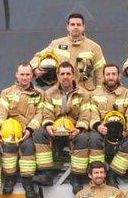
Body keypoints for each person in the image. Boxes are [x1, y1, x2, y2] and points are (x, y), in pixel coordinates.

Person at [0, 63, 45, 198]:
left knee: (28, 148)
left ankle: (27, 182)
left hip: (29, 131)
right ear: (16, 75)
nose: (25, 77)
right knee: (8, 147)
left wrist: (30, 129)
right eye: (22, 74)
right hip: (11, 130)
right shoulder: (7, 93)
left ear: (32, 75)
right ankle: (9, 178)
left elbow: (40, 114)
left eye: (27, 74)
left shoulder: (40, 94)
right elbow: (0, 111)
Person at [35, 61, 95, 189]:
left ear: (73, 76)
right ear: (58, 76)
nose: (65, 77)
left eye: (68, 73)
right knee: (40, 133)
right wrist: (48, 125)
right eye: (62, 74)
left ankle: (76, 177)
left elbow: (85, 115)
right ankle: (46, 174)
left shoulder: (84, 94)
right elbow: (47, 113)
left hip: (74, 130)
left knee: (83, 138)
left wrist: (78, 129)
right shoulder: (49, 93)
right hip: (55, 131)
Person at [29, 12, 106, 92]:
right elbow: (39, 56)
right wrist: (35, 69)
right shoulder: (56, 44)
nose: (75, 27)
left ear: (83, 27)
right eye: (72, 24)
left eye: (78, 25)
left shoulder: (94, 47)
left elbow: (101, 72)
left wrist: (99, 90)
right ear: (67, 27)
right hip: (60, 92)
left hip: (85, 93)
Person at [88, 64, 128, 183]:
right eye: (108, 74)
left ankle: (113, 174)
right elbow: (92, 113)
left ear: (119, 76)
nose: (111, 77)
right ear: (103, 76)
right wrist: (98, 126)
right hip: (102, 132)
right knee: (94, 138)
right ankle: (98, 173)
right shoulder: (94, 94)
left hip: (122, 133)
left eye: (113, 74)